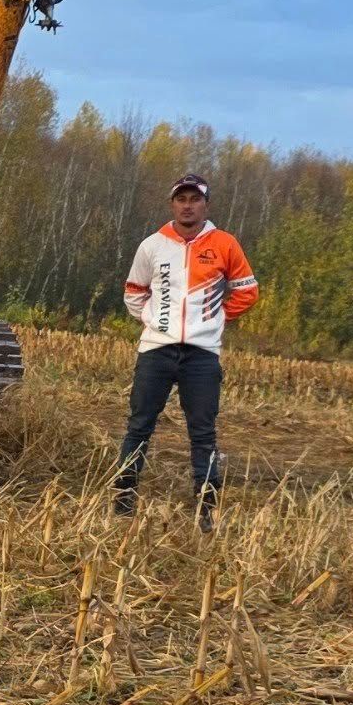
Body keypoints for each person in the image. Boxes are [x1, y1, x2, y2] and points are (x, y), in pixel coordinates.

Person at [116, 171, 258, 525]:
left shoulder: (225, 243)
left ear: (206, 205)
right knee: (139, 425)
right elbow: (134, 291)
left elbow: (247, 290)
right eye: (182, 199)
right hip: (156, 351)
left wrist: (217, 319)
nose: (188, 206)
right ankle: (123, 497)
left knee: (203, 431)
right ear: (172, 203)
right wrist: (153, 322)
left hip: (202, 355)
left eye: (195, 199)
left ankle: (206, 506)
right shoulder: (152, 245)